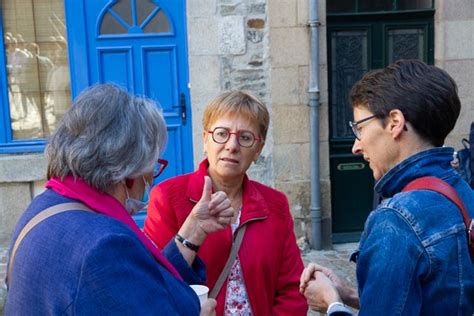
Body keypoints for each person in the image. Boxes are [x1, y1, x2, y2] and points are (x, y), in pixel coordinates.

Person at [5, 84, 235, 315]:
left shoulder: (46, 205)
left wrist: (193, 231)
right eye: (152, 167)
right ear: (128, 173)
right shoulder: (104, 245)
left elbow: (137, 288)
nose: (151, 181)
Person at [300, 60, 474, 315]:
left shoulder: (396, 219)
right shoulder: (463, 191)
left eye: (360, 128)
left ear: (394, 122)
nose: (355, 146)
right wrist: (351, 294)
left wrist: (333, 304)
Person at [144, 91, 308, 315]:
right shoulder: (168, 197)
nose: (232, 145)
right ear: (205, 139)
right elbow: (155, 282)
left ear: (258, 149)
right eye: (221, 133)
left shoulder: (274, 205)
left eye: (245, 137)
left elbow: (292, 289)